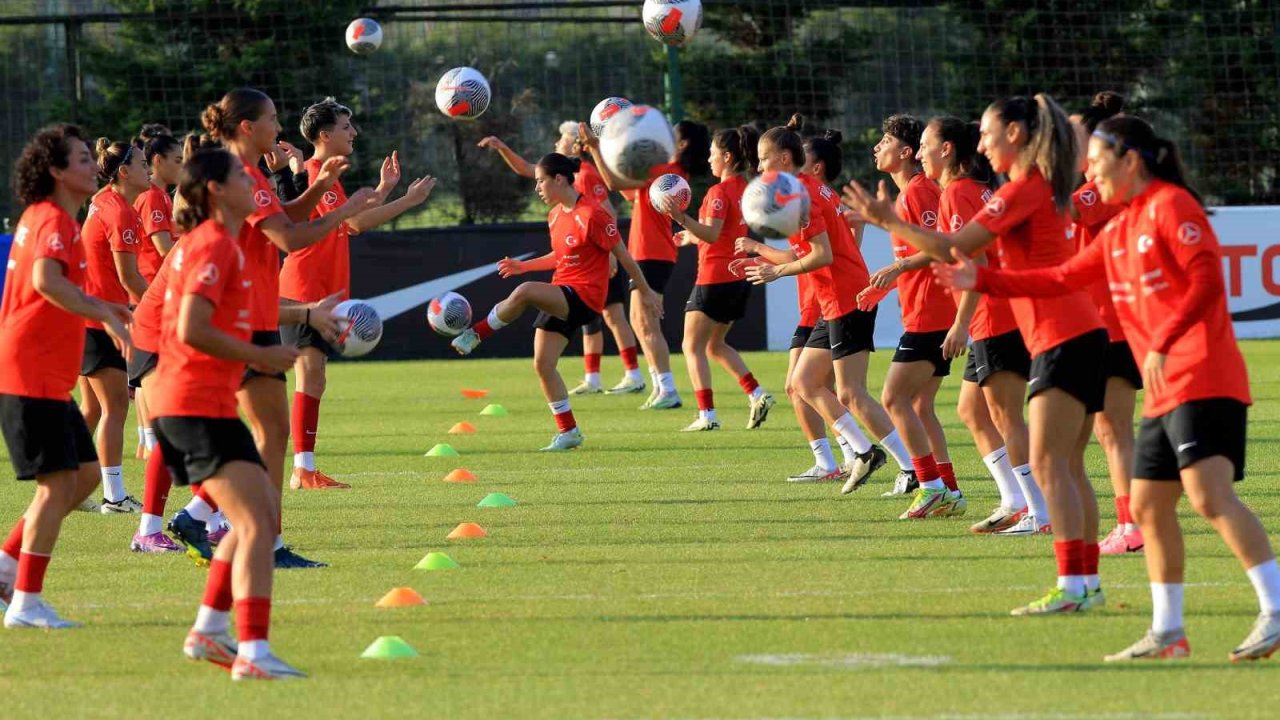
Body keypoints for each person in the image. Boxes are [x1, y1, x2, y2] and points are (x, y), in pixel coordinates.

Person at [936, 115, 1280, 662]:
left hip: (1203, 373)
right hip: (1167, 387)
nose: (1089, 171)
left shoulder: (1172, 206)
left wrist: (1165, 341)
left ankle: (1275, 607)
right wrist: (983, 280)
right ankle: (1169, 631)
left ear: (1131, 161)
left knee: (1210, 497)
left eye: (1096, 161)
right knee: (1146, 505)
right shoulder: (1118, 227)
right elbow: (1057, 279)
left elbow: (1207, 280)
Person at [844, 94, 1108, 615]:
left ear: (1015, 135)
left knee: (1054, 464)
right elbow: (989, 260)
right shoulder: (1030, 189)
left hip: (1062, 334)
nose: (981, 143)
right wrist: (979, 281)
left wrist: (887, 221)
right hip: (1068, 332)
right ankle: (1083, 584)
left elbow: (957, 244)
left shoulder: (1022, 190)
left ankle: (1076, 585)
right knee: (1066, 467)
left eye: (987, 133)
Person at [193, 87, 373, 569]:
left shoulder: (248, 173)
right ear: (248, 127)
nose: (280, 125)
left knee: (266, 431)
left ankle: (223, 524)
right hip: (239, 311)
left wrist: (321, 192)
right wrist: (343, 208)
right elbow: (289, 239)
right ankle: (239, 532)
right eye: (273, 118)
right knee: (263, 432)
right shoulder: (240, 174)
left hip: (250, 309)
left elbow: (283, 217)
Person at [156, 146, 306, 679]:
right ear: (218, 190)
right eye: (243, 175)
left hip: (203, 403)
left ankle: (209, 633)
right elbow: (191, 328)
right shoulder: (215, 245)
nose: (253, 181)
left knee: (254, 518)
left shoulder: (223, 245)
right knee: (256, 522)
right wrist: (261, 356)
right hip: (192, 403)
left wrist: (309, 316)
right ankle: (253, 655)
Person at [0, 124, 133, 627]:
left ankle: (7, 565)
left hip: (40, 374)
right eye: (79, 159)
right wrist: (104, 311)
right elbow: (45, 280)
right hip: (29, 372)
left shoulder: (47, 218)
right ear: (55, 171)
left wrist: (102, 310)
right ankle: (26, 602)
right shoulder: (54, 219)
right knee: (58, 487)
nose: (90, 164)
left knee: (85, 475)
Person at [450, 153, 662, 450]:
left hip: (585, 297)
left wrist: (647, 292)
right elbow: (560, 256)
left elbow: (625, 257)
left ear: (559, 179)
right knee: (543, 364)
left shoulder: (594, 214)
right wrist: (526, 266)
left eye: (540, 181)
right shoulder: (555, 216)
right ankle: (569, 431)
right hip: (562, 292)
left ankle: (477, 333)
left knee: (524, 292)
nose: (536, 188)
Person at [280, 97, 435, 490]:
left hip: (318, 291)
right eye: (347, 127)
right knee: (308, 374)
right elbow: (358, 222)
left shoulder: (326, 173)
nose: (354, 133)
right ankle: (302, 470)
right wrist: (408, 200)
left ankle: (304, 467)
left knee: (313, 378)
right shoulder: (317, 171)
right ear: (325, 134)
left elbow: (347, 223)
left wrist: (383, 189)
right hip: (304, 291)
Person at [737, 116, 893, 490]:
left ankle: (916, 472)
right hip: (830, 299)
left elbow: (820, 255)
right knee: (805, 384)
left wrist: (773, 264)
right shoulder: (813, 192)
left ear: (789, 160)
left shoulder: (802, 197)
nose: (758, 168)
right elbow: (822, 249)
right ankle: (862, 453)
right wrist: (766, 256)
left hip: (836, 299)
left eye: (763, 158)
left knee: (846, 392)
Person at [916, 116, 1044, 534]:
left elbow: (976, 262)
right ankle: (1013, 499)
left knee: (1007, 415)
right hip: (998, 313)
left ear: (948, 148)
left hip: (995, 316)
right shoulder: (975, 190)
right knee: (971, 410)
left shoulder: (957, 193)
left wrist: (960, 323)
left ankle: (1039, 510)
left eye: (924, 145)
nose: (920, 154)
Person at [478, 123, 645, 395]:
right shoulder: (555, 206)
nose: (558, 142)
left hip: (598, 256)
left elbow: (606, 212)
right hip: (573, 273)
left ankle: (633, 374)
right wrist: (503, 148)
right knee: (546, 362)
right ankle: (590, 384)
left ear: (576, 145)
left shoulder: (586, 176)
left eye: (563, 139)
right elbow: (525, 169)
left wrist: (611, 254)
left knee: (613, 316)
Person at [858, 115, 962, 519]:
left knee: (892, 397)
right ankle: (948, 489)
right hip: (924, 311)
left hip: (931, 315)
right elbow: (913, 256)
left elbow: (942, 248)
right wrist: (885, 284)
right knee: (920, 406)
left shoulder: (918, 192)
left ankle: (930, 486)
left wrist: (898, 271)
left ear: (905, 153)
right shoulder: (908, 194)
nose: (876, 147)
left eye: (884, 141)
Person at [580, 118, 711, 409]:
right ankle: (660, 386)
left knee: (646, 322)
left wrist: (596, 147)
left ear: (682, 144)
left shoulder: (667, 173)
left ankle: (668, 389)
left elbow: (614, 182)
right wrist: (599, 151)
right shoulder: (670, 173)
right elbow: (623, 187)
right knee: (640, 322)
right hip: (649, 254)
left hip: (652, 254)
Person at [656, 124, 774, 431]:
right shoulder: (746, 189)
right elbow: (719, 233)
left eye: (712, 154)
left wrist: (679, 217)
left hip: (714, 277)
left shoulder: (719, 192)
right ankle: (757, 393)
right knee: (715, 345)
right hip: (737, 277)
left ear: (726, 156)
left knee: (691, 346)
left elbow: (712, 232)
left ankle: (707, 415)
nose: (709, 159)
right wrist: (690, 237)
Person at [1069, 92, 1144, 555]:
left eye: (1073, 135)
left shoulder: (1096, 188)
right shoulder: (1093, 183)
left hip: (1110, 323)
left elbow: (1069, 208)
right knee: (1108, 428)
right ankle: (1130, 521)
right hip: (1103, 321)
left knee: (1112, 428)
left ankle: (1133, 523)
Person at [79, 137, 153, 513]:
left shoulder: (103, 201)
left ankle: (70, 484)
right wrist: (162, 308)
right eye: (142, 163)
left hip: (88, 314)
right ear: (124, 172)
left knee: (92, 409)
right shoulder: (121, 211)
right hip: (101, 319)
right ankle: (115, 497)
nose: (149, 169)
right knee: (114, 409)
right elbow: (129, 279)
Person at [131, 124, 183, 460]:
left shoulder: (162, 195)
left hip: (155, 291)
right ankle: (150, 440)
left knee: (142, 378)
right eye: (177, 160)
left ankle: (147, 440)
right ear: (158, 160)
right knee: (150, 373)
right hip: (152, 291)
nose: (182, 166)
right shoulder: (151, 196)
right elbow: (164, 249)